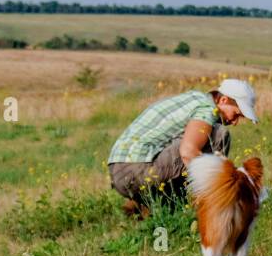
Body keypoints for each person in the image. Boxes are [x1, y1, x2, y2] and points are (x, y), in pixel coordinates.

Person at [106, 78, 258, 215]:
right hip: (135, 169)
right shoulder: (206, 110)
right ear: (223, 100)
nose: (235, 122)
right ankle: (200, 206)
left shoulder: (195, 99)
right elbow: (188, 152)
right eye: (236, 114)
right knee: (219, 135)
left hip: (120, 170)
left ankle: (149, 203)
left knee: (203, 144)